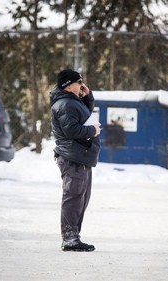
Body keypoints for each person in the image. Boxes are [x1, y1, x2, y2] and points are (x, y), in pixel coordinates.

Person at [50, 69, 101, 252]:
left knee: (81, 198)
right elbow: (71, 130)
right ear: (68, 85)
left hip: (81, 157)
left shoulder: (72, 102)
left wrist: (87, 98)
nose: (82, 84)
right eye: (79, 82)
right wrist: (92, 131)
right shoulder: (65, 104)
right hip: (73, 158)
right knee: (73, 198)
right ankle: (70, 238)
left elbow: (84, 115)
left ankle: (74, 237)